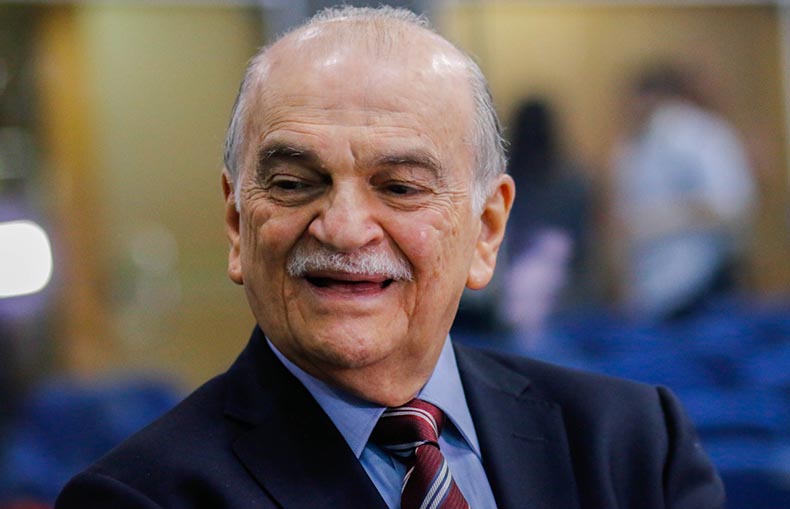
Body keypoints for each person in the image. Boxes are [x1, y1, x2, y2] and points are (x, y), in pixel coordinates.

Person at [56, 6, 724, 509]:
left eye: (400, 187)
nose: (345, 229)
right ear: (237, 224)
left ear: (487, 230)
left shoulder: (634, 444)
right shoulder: (140, 497)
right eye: (294, 183)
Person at [613, 63, 756, 321]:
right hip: (653, 285)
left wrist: (662, 219)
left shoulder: (699, 135)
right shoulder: (632, 146)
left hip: (701, 279)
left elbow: (730, 205)